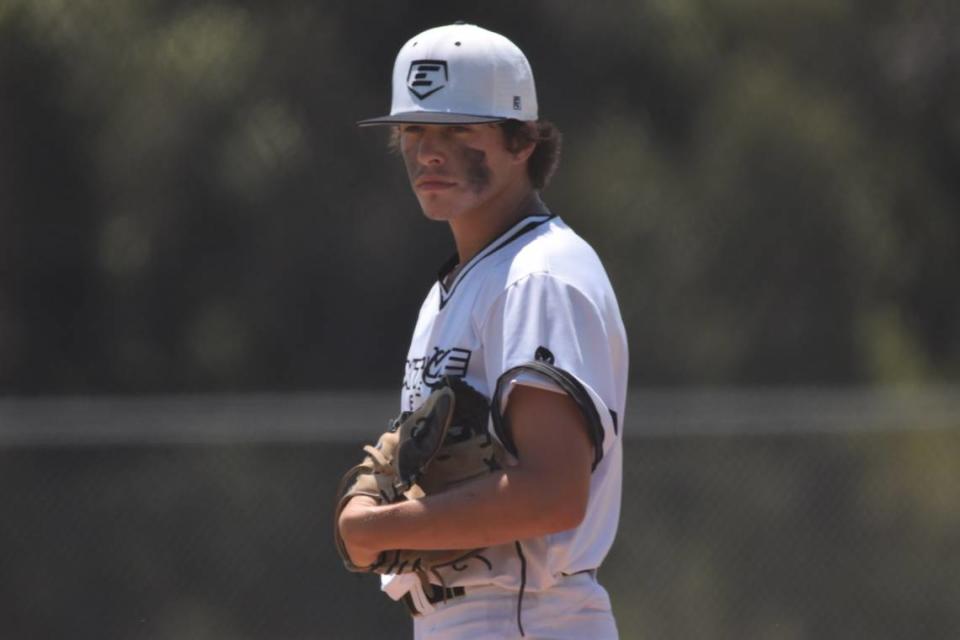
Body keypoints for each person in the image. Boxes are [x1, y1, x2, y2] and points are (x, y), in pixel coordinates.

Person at [338, 22, 628, 639]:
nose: (429, 151)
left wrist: (380, 530)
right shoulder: (458, 288)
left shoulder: (537, 276)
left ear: (521, 141)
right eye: (413, 129)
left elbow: (555, 493)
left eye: (458, 128)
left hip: (526, 617)